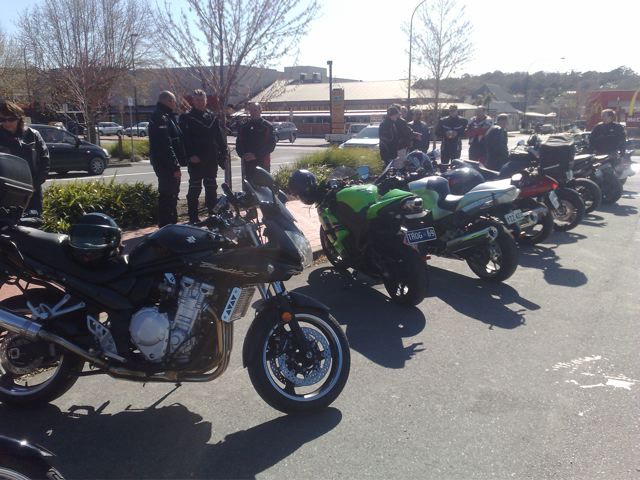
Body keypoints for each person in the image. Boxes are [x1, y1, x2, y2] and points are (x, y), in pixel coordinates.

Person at [179, 89, 228, 223]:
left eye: (202, 100)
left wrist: (223, 154)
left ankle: (213, 216)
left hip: (211, 159)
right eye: (197, 100)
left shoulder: (212, 117)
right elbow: (184, 139)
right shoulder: (186, 117)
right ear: (193, 101)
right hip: (196, 159)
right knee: (195, 189)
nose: (200, 102)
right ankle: (193, 218)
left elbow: (219, 137)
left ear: (206, 101)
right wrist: (190, 155)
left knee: (211, 188)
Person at [0, 101, 50, 214]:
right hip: (6, 191)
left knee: (33, 221)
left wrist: (34, 186)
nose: (7, 123)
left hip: (32, 191)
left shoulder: (33, 135)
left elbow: (45, 161)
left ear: (19, 118)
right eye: (2, 119)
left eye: (11, 119)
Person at [148, 91, 186, 227]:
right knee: (168, 196)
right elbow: (165, 145)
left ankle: (171, 224)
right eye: (174, 101)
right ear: (169, 101)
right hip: (166, 165)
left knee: (172, 195)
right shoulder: (161, 117)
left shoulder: (166, 116)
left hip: (166, 163)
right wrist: (174, 166)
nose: (175, 104)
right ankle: (167, 226)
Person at [235, 103, 276, 181]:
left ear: (260, 111)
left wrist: (256, 155)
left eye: (255, 110)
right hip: (248, 163)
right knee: (249, 185)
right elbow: (239, 144)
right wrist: (243, 155)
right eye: (251, 110)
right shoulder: (244, 127)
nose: (253, 112)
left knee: (263, 185)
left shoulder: (267, 126)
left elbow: (271, 145)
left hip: (263, 163)